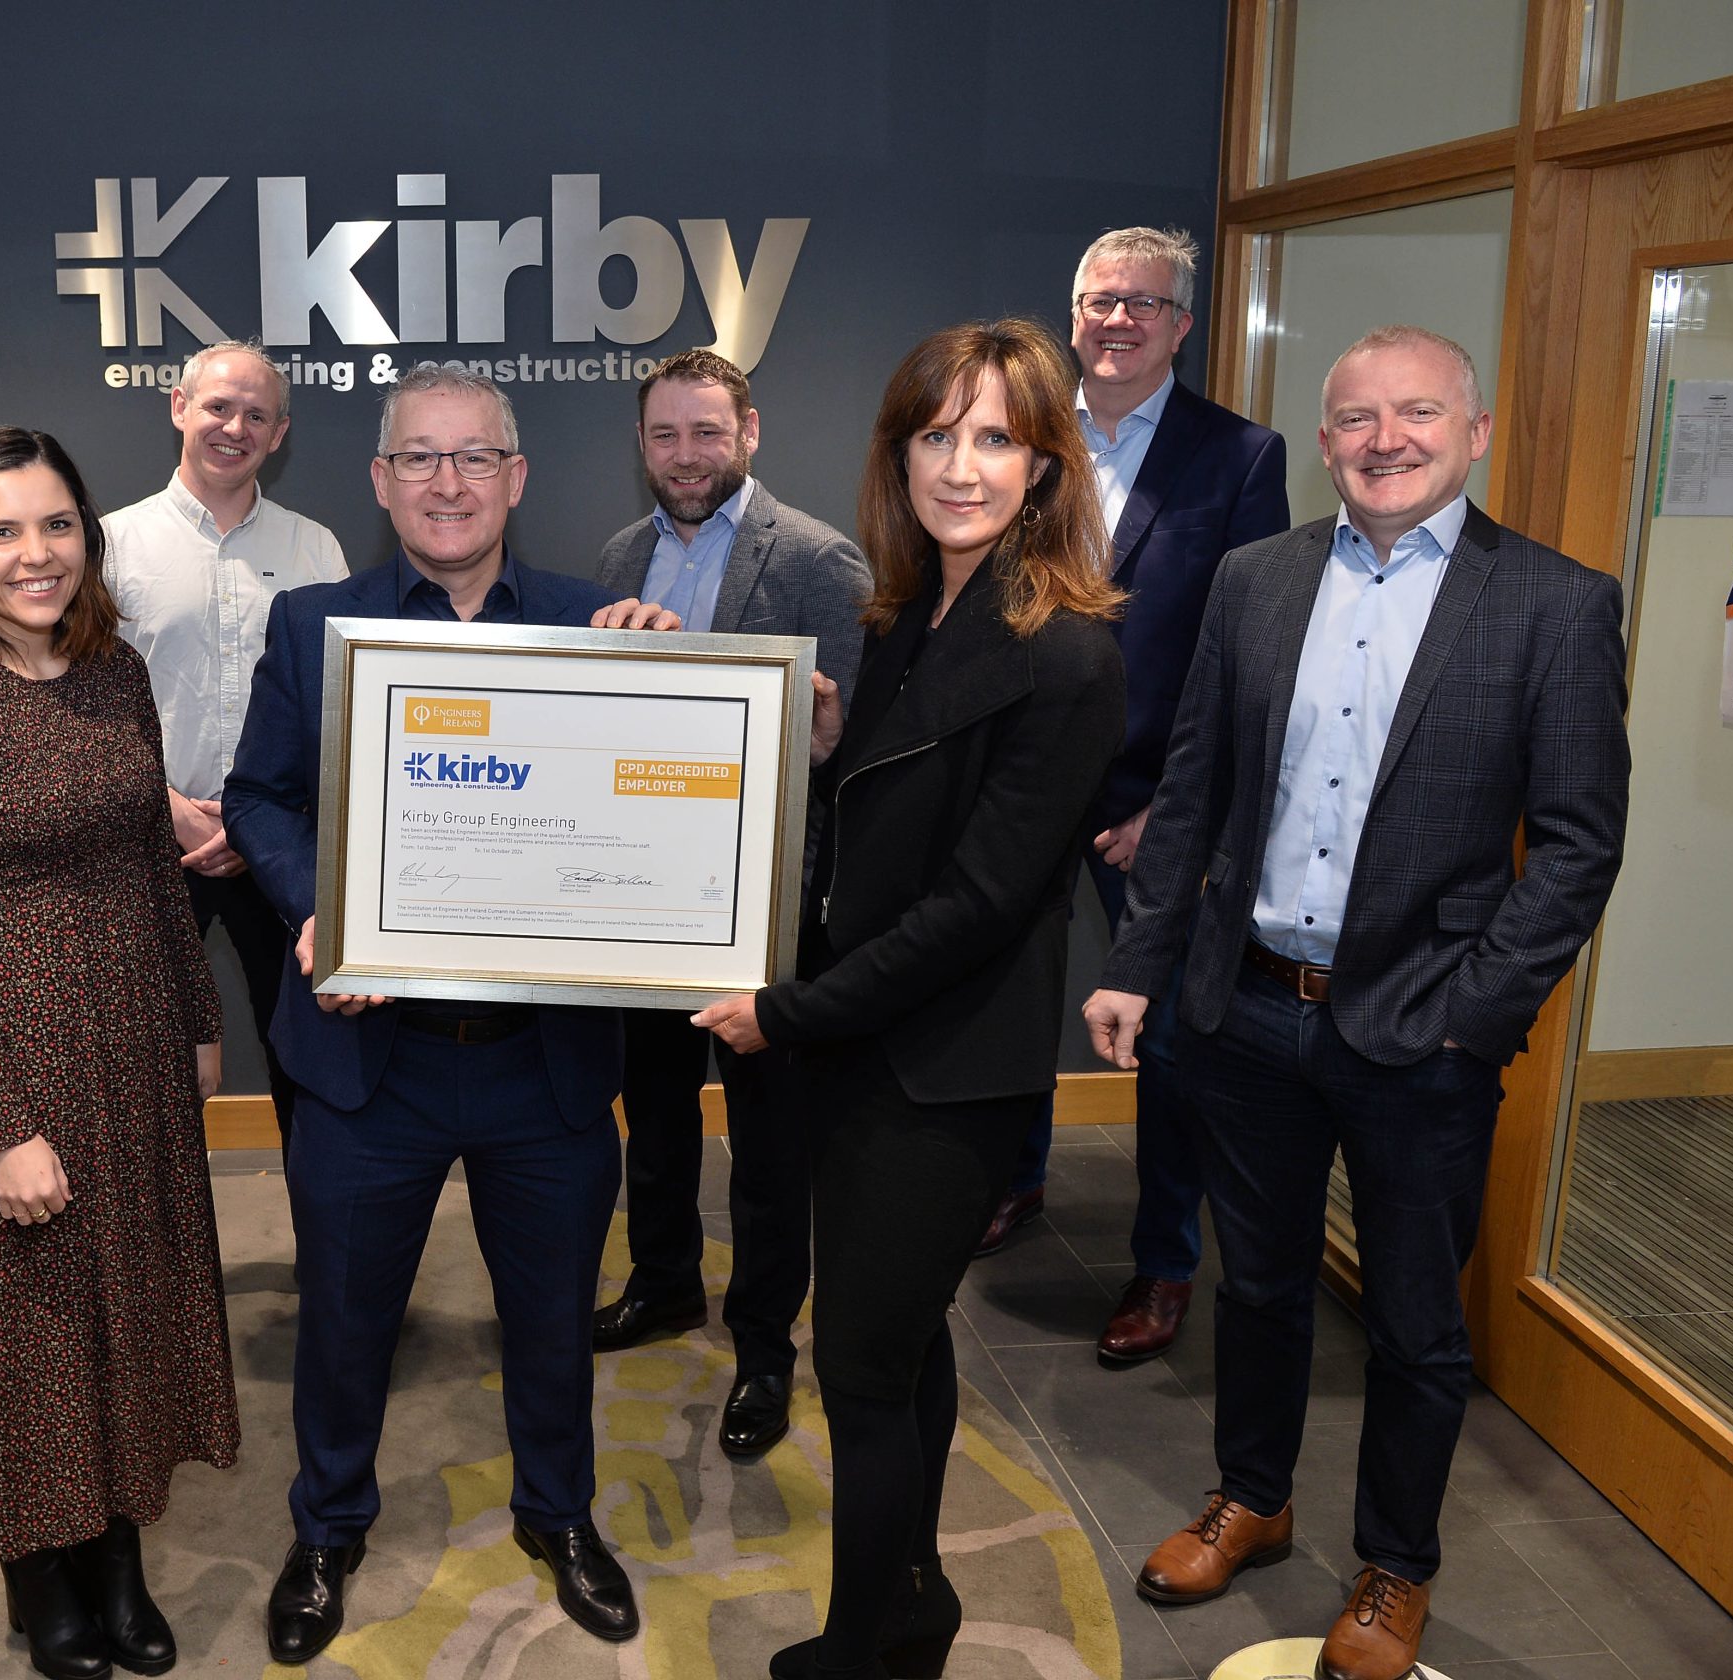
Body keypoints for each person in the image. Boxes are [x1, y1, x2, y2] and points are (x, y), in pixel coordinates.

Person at [1086, 326, 1629, 1680]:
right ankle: (1254, 1502)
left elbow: (1577, 844)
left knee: (1414, 1328)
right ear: (1321, 440)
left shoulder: (1557, 605)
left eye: (1417, 414)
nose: (1386, 439)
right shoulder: (1254, 581)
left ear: (1476, 431)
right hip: (1247, 1014)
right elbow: (1195, 791)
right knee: (1258, 1286)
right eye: (1356, 419)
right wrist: (1138, 965)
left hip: (1421, 1037)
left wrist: (1477, 1013)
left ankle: (1394, 1569)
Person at [693, 320, 1126, 1680]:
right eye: (935, 435)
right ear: (898, 454)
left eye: (996, 437)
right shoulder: (904, 614)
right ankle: (917, 1598)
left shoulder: (1067, 653)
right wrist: (824, 748)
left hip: (943, 1074)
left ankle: (875, 1650)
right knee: (900, 1336)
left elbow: (977, 906)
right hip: (869, 1054)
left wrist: (788, 1014)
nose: (959, 465)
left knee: (864, 1368)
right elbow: (883, 835)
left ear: (1048, 465)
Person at [225, 364, 672, 1665]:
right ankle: (328, 1529)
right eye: (419, 458)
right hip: (373, 1065)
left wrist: (668, 681)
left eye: (475, 457)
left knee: (550, 1316)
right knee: (345, 1319)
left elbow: (661, 805)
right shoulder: (312, 624)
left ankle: (561, 1515)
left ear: (517, 478)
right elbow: (257, 797)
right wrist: (327, 907)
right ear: (378, 481)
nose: (448, 482)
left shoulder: (601, 624)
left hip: (546, 1063)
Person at [0, 427, 240, 1680]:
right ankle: (46, 1583)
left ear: (86, 536)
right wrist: (0, 1125)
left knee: (134, 1304)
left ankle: (119, 1559)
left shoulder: (115, 673)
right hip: (19, 1060)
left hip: (136, 1036)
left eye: (55, 525)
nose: (36, 554)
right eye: (2, 531)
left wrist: (199, 1020)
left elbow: (153, 862)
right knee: (39, 1332)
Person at [979, 228, 1291, 1370]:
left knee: (1162, 1037)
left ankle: (1165, 1262)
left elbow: (1250, 641)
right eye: (1100, 300)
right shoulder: (1018, 436)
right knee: (1008, 992)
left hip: (1153, 794)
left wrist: (1180, 805)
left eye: (1143, 305)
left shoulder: (1239, 456)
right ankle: (1013, 1180)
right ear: (1071, 313)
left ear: (1181, 324)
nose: (1118, 321)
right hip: (1021, 779)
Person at [587, 346, 870, 1461]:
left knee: (766, 1142)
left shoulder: (816, 560)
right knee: (652, 1114)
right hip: (649, 896)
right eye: (666, 435)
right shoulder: (619, 554)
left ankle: (762, 1347)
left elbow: (847, 754)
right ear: (642, 445)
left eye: (707, 432)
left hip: (766, 909)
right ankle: (662, 1284)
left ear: (747, 434)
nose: (686, 455)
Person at [102, 340, 346, 1154]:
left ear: (279, 434)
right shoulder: (109, 549)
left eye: (256, 415)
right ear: (179, 407)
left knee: (306, 1061)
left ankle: (326, 1246)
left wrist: (259, 825)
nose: (233, 426)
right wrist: (172, 811)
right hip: (150, 842)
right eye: (217, 407)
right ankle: (151, 1262)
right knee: (140, 1061)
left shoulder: (318, 553)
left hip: (278, 849)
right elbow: (81, 707)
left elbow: (339, 713)